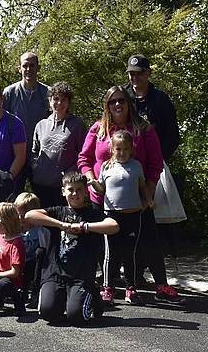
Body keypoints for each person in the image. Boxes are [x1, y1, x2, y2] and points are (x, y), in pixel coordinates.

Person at [77, 86, 176, 301]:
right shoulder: (98, 129)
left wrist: (148, 191)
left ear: (128, 103)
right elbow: (84, 159)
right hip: (103, 200)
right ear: (107, 105)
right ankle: (106, 287)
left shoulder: (143, 128)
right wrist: (89, 178)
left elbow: (155, 162)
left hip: (136, 199)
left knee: (148, 241)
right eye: (112, 102)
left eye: (121, 100)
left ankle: (161, 286)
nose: (117, 105)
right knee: (105, 246)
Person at [25, 173, 120, 324]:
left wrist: (85, 227)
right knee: (48, 313)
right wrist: (61, 225)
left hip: (80, 275)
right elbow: (30, 215)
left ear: (86, 191)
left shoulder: (93, 214)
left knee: (76, 317)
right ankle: (64, 298)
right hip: (55, 273)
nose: (75, 194)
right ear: (63, 191)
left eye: (79, 190)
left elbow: (114, 226)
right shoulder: (58, 212)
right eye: (70, 190)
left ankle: (92, 293)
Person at [92, 131, 150, 304]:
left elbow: (143, 186)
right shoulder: (106, 166)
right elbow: (101, 189)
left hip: (133, 216)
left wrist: (148, 200)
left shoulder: (136, 166)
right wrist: (93, 183)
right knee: (111, 254)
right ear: (112, 149)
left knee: (129, 253)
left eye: (125, 149)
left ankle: (130, 289)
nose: (122, 152)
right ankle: (108, 288)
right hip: (111, 216)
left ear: (131, 149)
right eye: (118, 149)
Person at [30, 81, 86, 208]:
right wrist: (36, 167)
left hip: (65, 187)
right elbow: (34, 151)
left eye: (63, 99)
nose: (59, 103)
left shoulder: (77, 125)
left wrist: (71, 172)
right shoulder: (41, 125)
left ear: (69, 102)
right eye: (55, 99)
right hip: (41, 184)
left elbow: (84, 154)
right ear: (50, 101)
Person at [125, 54, 180, 162]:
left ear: (149, 73)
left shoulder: (161, 99)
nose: (135, 77)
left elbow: (172, 135)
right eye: (132, 74)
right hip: (125, 161)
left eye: (139, 73)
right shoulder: (122, 96)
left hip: (154, 162)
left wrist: (158, 159)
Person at [3, 52, 51, 145]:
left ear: (38, 68)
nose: (28, 69)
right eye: (25, 66)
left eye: (32, 65)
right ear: (19, 69)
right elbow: (2, 122)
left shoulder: (49, 93)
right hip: (15, 148)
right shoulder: (9, 93)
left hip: (42, 147)